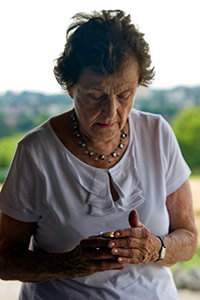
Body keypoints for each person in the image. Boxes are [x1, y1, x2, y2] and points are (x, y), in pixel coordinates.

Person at [0, 10, 198, 300]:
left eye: (125, 95)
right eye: (96, 95)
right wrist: (68, 264)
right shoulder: (36, 153)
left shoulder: (158, 134)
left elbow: (188, 239)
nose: (112, 111)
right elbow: (4, 260)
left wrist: (155, 248)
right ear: (70, 87)